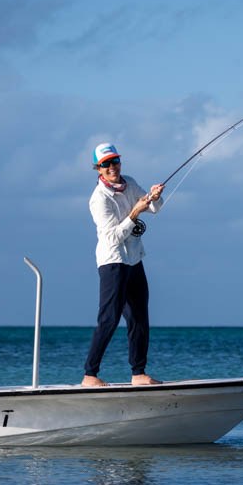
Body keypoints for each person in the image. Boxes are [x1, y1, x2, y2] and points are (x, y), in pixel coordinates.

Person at [82, 142, 165, 387]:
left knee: (139, 317)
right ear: (98, 169)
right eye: (106, 164)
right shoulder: (99, 199)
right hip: (112, 262)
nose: (112, 167)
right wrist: (134, 213)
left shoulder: (129, 182)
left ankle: (138, 373)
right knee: (109, 318)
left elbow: (154, 208)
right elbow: (111, 237)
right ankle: (90, 375)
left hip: (134, 258)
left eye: (115, 161)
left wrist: (154, 197)